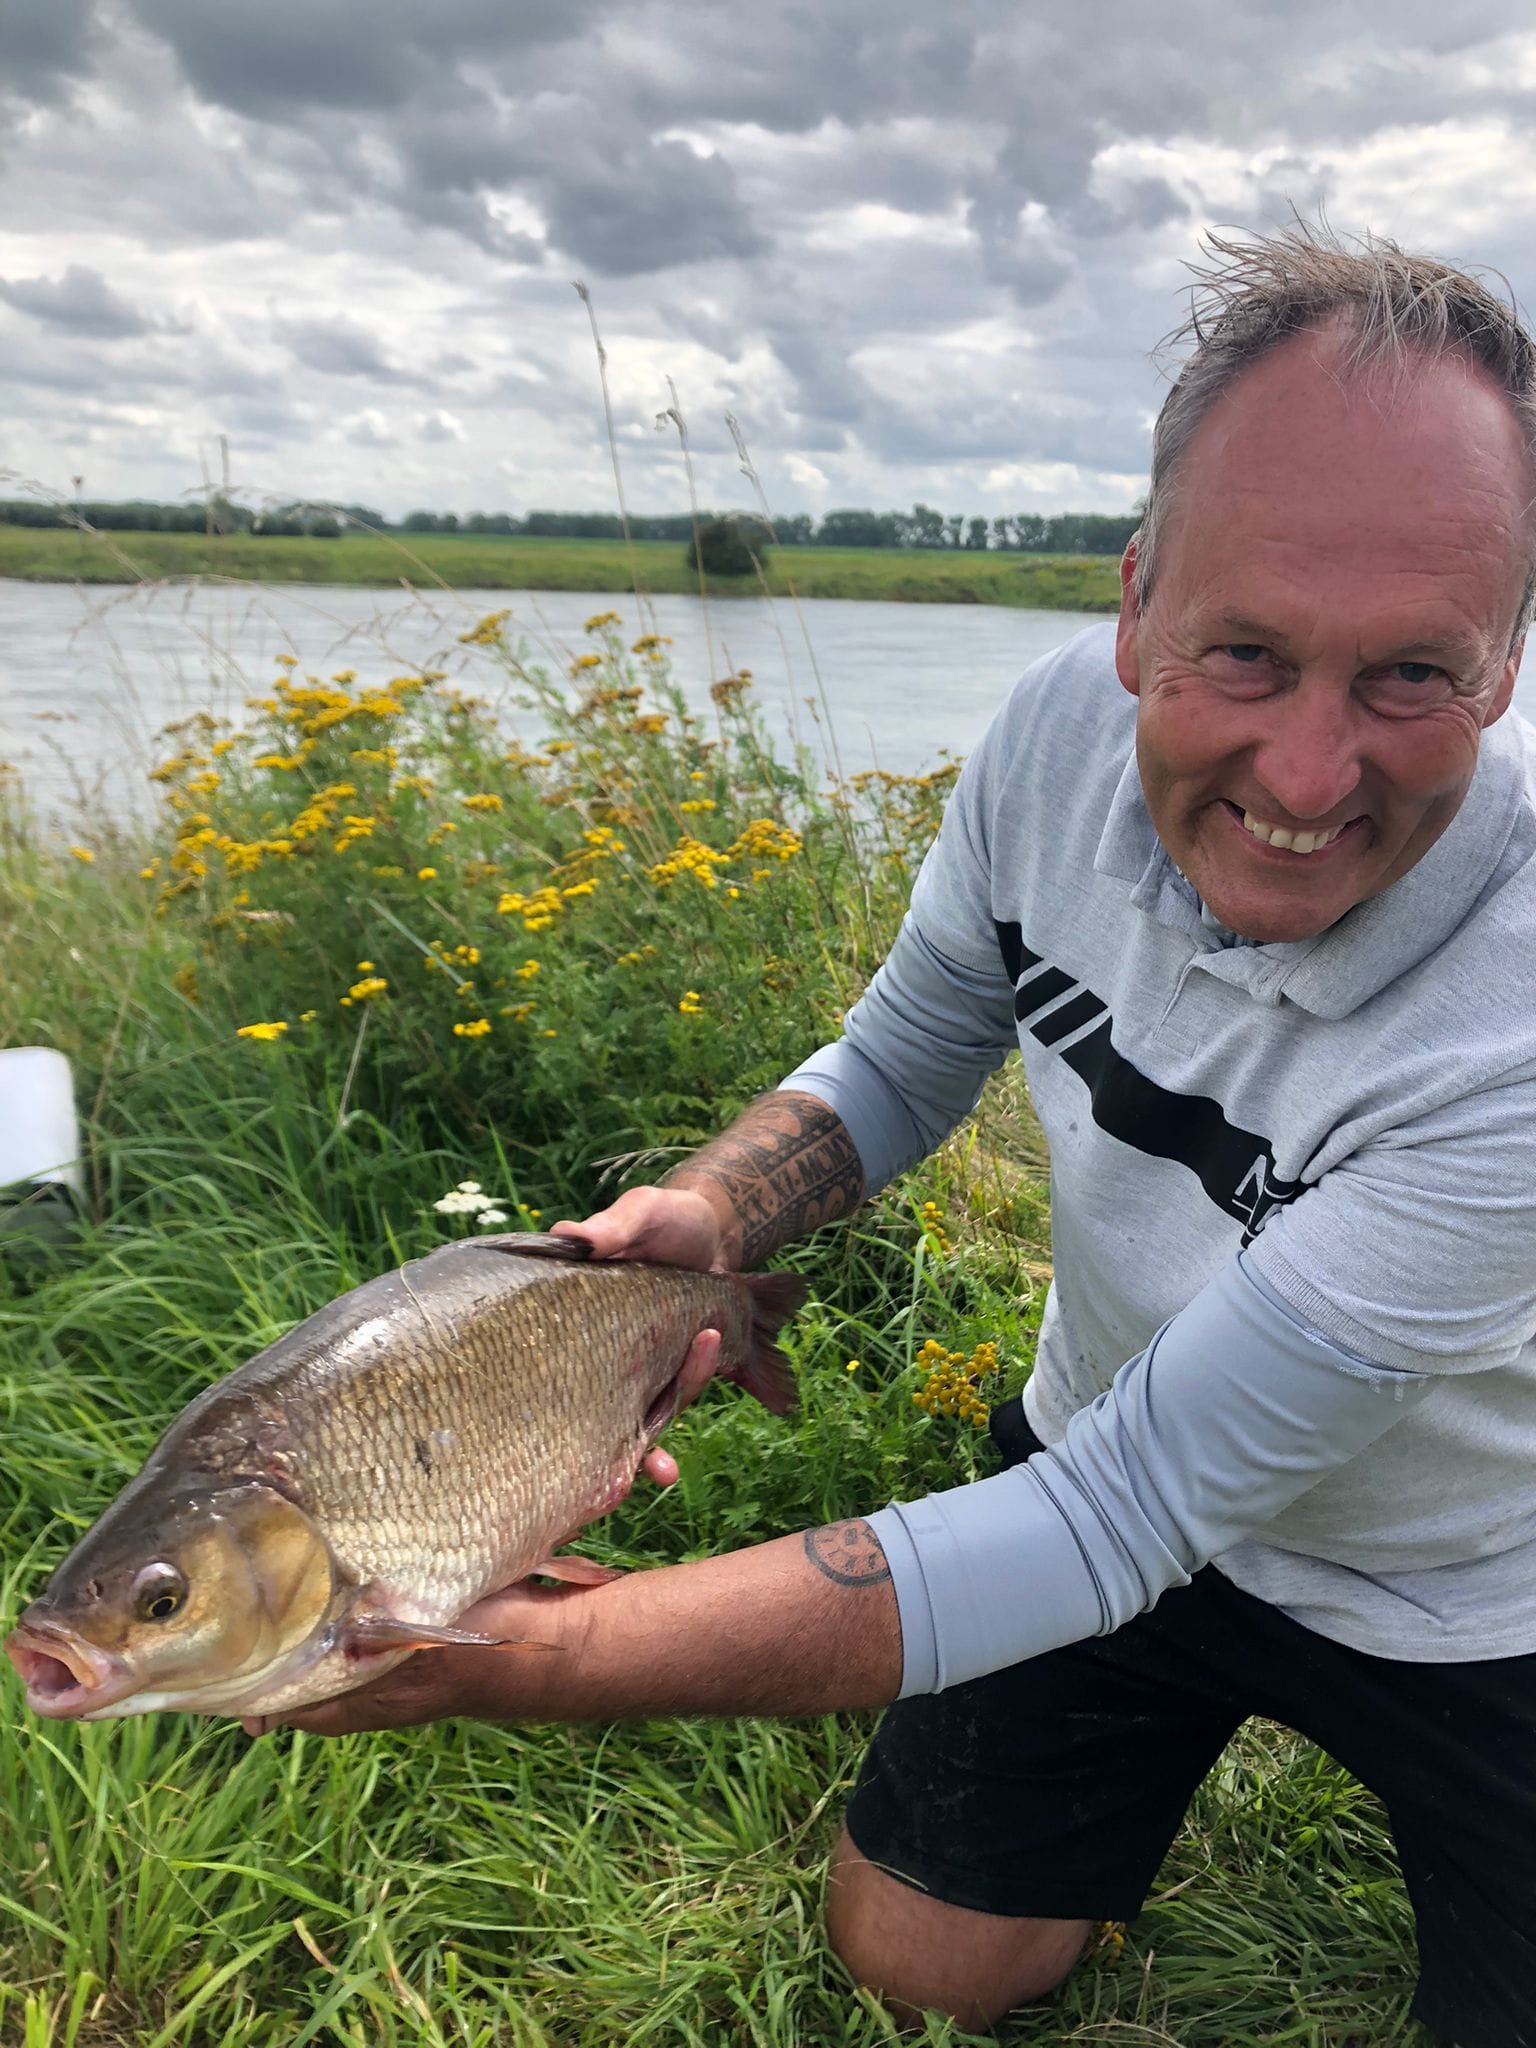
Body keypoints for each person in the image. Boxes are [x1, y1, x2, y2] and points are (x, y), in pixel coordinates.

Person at [264, 228, 1536, 2048]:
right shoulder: (1045, 748)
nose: (1311, 775)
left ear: (1505, 662)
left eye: (1413, 674)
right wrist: (709, 1212)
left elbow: (1121, 1521)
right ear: (1132, 602)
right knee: (922, 1960)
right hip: (1101, 1436)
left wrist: (519, 1651)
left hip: (1470, 1583)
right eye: (1243, 652)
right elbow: (913, 1045)